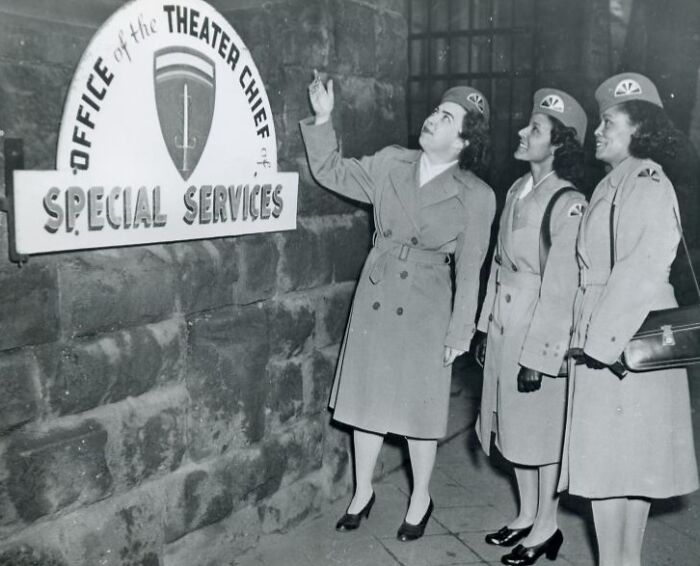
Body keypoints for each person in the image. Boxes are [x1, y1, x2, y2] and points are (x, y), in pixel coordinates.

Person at [300, 72, 495, 541]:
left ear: (464, 140)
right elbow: (332, 170)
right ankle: (361, 491)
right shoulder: (391, 163)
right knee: (366, 400)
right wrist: (325, 118)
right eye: (435, 110)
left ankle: (421, 497)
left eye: (446, 118)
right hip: (379, 293)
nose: (432, 118)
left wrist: (459, 333)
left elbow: (471, 270)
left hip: (428, 304)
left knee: (419, 411)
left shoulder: (478, 196)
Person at [559, 72, 699, 566]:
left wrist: (598, 345)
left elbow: (643, 269)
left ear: (639, 130)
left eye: (609, 122)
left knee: (623, 468)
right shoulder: (612, 183)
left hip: (624, 346)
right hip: (610, 339)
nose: (598, 130)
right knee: (611, 469)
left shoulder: (645, 181)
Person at [474, 89, 588, 565]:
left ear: (558, 144)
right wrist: (483, 326)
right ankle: (525, 515)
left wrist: (540, 357)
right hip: (505, 321)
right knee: (509, 423)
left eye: (535, 129)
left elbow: (562, 289)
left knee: (541, 433)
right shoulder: (517, 189)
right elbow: (497, 265)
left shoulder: (569, 203)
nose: (522, 133)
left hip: (539, 327)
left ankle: (547, 526)